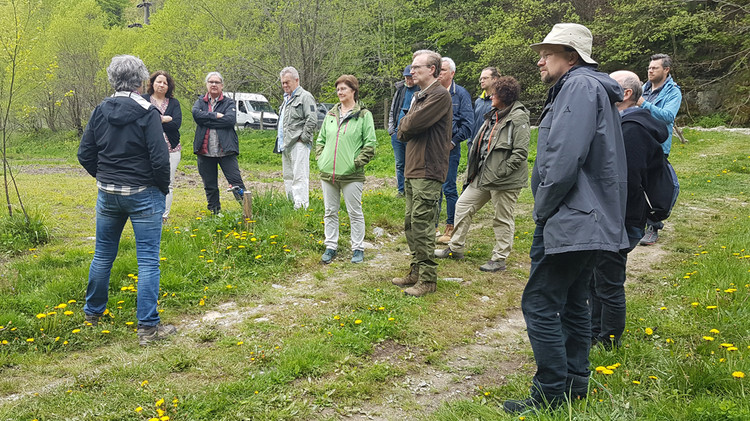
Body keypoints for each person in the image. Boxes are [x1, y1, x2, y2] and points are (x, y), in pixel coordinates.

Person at [503, 24, 628, 413]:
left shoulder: (577, 88)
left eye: (548, 52)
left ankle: (549, 394)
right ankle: (575, 385)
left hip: (572, 217)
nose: (540, 60)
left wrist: (543, 208)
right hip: (592, 219)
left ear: (571, 56)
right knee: (576, 302)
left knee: (539, 303)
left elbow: (563, 159)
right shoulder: (591, 88)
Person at [78, 55, 176, 346]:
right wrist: (161, 188)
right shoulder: (147, 112)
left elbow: (85, 153)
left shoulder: (101, 109)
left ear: (113, 79)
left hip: (108, 193)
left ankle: (92, 314)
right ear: (140, 81)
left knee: (102, 254)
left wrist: (104, 176)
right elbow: (160, 158)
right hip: (143, 193)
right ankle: (148, 328)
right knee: (147, 260)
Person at [590, 71, 670, 349]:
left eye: (610, 87)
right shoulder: (625, 124)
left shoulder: (632, 129)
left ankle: (608, 340)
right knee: (597, 276)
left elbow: (629, 182)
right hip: (616, 216)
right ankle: (594, 332)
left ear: (625, 94)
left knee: (608, 281)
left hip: (622, 217)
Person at [435, 76, 529, 273]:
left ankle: (499, 258)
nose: (490, 95)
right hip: (483, 175)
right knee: (462, 205)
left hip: (504, 180)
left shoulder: (518, 117)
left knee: (502, 218)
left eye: (494, 93)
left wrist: (502, 172)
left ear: (504, 95)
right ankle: (455, 248)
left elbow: (520, 153)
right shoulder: (492, 114)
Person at [390, 49, 452, 297]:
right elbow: (401, 130)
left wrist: (406, 124)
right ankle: (415, 271)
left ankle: (428, 280)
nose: (412, 71)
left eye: (417, 67)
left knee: (424, 225)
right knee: (411, 224)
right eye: (412, 67)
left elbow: (409, 125)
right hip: (413, 169)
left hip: (428, 169)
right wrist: (406, 125)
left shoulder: (439, 96)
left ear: (432, 70)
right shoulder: (418, 96)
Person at [316, 75, 377, 264]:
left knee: (354, 212)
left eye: (343, 88)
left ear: (353, 90)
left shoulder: (364, 115)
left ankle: (358, 247)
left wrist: (356, 163)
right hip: (328, 173)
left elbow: (370, 144)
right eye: (338, 89)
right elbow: (321, 140)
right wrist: (321, 158)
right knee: (330, 211)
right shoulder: (330, 114)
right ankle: (330, 246)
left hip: (352, 175)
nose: (340, 92)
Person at [638, 53, 682, 245]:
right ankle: (637, 224)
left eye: (655, 68)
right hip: (636, 143)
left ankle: (653, 227)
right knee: (635, 186)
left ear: (666, 70)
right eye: (649, 67)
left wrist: (643, 104)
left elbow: (667, 116)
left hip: (657, 146)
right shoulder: (641, 89)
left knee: (655, 188)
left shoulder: (673, 92)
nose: (650, 70)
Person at [192, 72, 246, 215]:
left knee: (236, 183)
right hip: (205, 151)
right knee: (210, 186)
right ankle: (215, 214)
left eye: (217, 82)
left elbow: (229, 120)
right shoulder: (200, 102)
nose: (214, 84)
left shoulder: (228, 102)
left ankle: (248, 210)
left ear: (222, 85)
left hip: (226, 150)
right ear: (207, 84)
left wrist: (207, 119)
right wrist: (215, 115)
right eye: (211, 82)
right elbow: (197, 116)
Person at [435, 57, 474, 244]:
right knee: (433, 188)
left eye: (442, 70)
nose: (439, 73)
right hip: (431, 149)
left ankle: (450, 226)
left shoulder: (461, 94)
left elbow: (468, 125)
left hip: (450, 149)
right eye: (438, 70)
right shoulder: (431, 92)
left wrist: (452, 141)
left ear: (452, 73)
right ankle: (432, 226)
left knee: (449, 187)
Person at [276, 66, 318, 210]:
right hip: (286, 144)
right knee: (288, 176)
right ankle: (291, 203)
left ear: (296, 80)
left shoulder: (305, 96)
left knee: (299, 176)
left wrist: (303, 138)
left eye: (287, 82)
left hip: (298, 143)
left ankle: (301, 207)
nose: (285, 85)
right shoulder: (286, 99)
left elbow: (312, 118)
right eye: (283, 83)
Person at [142, 71, 182, 224]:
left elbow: (176, 124)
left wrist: (154, 121)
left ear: (168, 86)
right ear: (152, 83)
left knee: (168, 182)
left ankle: (163, 216)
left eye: (165, 83)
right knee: (147, 180)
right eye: (158, 81)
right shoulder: (143, 100)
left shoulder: (174, 103)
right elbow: (141, 122)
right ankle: (147, 212)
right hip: (147, 149)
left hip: (171, 149)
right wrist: (164, 119)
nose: (161, 85)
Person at [387, 65, 420, 197]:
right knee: (400, 163)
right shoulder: (400, 90)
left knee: (412, 163)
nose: (408, 81)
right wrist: (391, 130)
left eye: (410, 78)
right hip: (397, 132)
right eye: (406, 78)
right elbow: (393, 109)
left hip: (412, 135)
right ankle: (401, 190)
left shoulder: (421, 90)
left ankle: (412, 190)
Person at [469, 67, 500, 151]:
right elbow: (474, 122)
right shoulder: (478, 101)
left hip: (490, 145)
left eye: (485, 78)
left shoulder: (500, 101)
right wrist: (470, 141)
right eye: (481, 79)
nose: (482, 81)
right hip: (474, 144)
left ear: (495, 79)